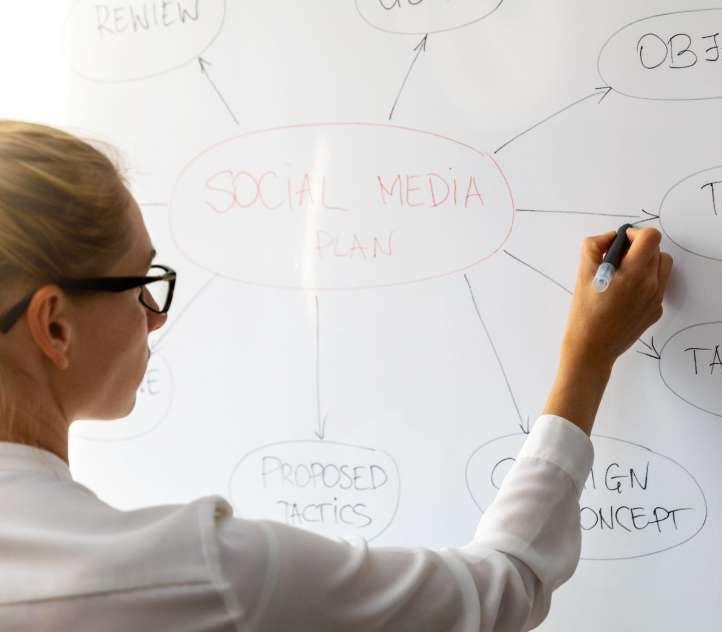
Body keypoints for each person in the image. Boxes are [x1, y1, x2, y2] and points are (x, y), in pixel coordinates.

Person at [0, 120, 672, 631]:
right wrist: (588, 360)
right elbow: (501, 590)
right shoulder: (189, 573)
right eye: (141, 284)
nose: (155, 317)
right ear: (55, 325)